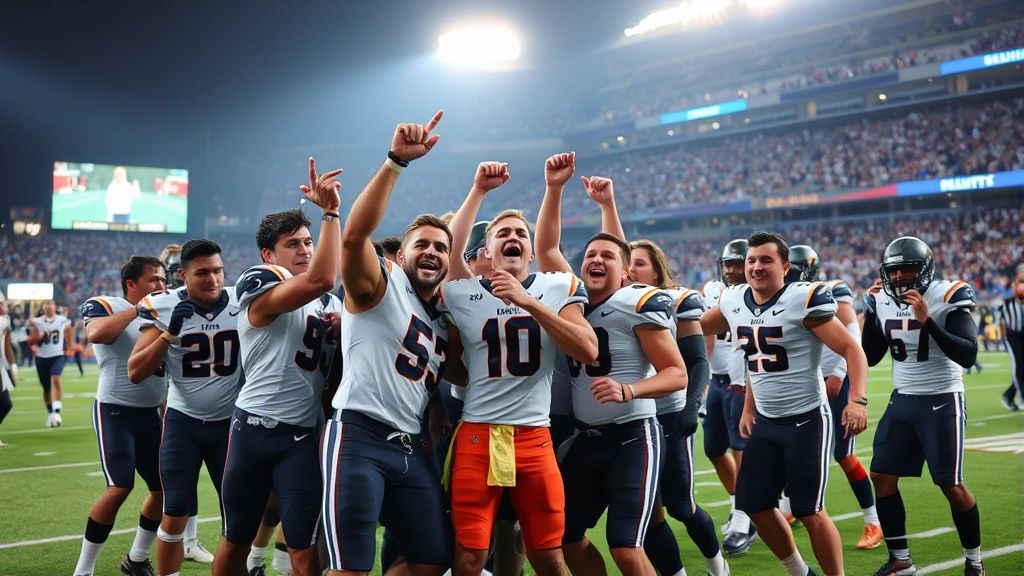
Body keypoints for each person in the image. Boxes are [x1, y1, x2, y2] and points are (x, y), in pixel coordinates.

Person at [440, 160, 598, 576]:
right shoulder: (463, 291)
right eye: (502, 234)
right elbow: (450, 248)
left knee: (549, 553)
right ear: (486, 252)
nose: (513, 237)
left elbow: (587, 349)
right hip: (478, 433)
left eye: (520, 235)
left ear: (530, 250)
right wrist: (478, 191)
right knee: (471, 555)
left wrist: (528, 303)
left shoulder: (555, 286)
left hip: (535, 435)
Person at [321, 111, 453, 576]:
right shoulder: (382, 286)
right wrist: (396, 161)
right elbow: (354, 238)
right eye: (423, 244)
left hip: (409, 446)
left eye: (442, 247)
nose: (432, 252)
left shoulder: (441, 320)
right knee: (350, 566)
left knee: (433, 559)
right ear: (400, 255)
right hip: (358, 436)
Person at [700, 231, 869, 576]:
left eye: (766, 260)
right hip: (766, 420)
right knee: (755, 506)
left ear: (784, 266)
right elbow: (700, 328)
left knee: (809, 510)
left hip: (807, 420)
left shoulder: (802, 299)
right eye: (751, 260)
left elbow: (852, 348)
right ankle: (800, 572)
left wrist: (858, 400)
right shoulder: (733, 300)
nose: (756, 267)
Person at [211, 158, 343, 576]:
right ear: (269, 254)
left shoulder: (332, 304)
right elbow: (322, 277)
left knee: (303, 544)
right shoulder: (259, 280)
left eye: (308, 241)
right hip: (253, 429)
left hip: (303, 436)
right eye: (294, 244)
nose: (305, 249)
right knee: (236, 538)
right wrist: (330, 214)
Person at [862, 236, 985, 576]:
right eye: (894, 270)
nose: (899, 276)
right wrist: (871, 315)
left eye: (907, 269)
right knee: (881, 475)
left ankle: (974, 562)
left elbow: (968, 354)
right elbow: (871, 358)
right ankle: (901, 560)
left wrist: (926, 319)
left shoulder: (947, 295)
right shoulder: (882, 299)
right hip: (903, 398)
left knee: (950, 484)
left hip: (942, 398)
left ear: (925, 270)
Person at [129, 239, 242, 576]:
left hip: (231, 424)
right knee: (175, 510)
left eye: (218, 270)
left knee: (236, 514)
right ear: (183, 275)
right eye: (202, 272)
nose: (212, 279)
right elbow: (136, 371)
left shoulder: (243, 298)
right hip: (184, 423)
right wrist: (168, 334)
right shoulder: (163, 307)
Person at [73, 256, 168, 576]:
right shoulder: (105, 303)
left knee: (162, 490)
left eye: (164, 279)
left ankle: (137, 558)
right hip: (115, 409)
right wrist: (139, 309)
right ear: (131, 284)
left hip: (152, 412)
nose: (162, 285)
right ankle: (83, 570)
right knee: (119, 487)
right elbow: (97, 334)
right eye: (155, 279)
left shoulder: (164, 308)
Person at [786, 245, 882, 550]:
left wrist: (839, 373)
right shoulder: (784, 296)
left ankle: (873, 521)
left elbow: (853, 337)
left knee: (843, 453)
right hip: (806, 382)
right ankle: (790, 509)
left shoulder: (831, 291)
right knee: (794, 449)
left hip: (834, 380)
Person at [701, 239, 756, 553]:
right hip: (718, 382)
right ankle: (740, 503)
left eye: (739, 264)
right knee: (713, 448)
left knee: (741, 450)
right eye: (729, 264)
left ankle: (743, 517)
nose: (733, 270)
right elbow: (705, 335)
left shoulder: (756, 294)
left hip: (741, 383)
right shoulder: (711, 290)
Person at [27, 299, 73, 427]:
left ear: (55, 306)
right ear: (42, 309)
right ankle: (50, 413)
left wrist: (69, 347)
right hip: (42, 356)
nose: (48, 307)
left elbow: (69, 330)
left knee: (56, 378)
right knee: (46, 388)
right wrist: (40, 337)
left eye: (50, 304)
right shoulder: (36, 322)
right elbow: (30, 341)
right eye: (46, 305)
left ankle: (57, 411)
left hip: (57, 355)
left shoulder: (62, 320)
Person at [996, 271, 1024, 411]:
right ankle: (1022, 398)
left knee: (1022, 369)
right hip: (1012, 336)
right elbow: (999, 320)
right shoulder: (1006, 302)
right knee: (1019, 366)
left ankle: (1009, 396)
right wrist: (1002, 338)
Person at [0, 290, 15, 447]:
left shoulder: (4, 321)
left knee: (6, 404)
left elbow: (7, 343)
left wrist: (12, 365)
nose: (3, 306)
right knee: (4, 403)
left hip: (1, 367)